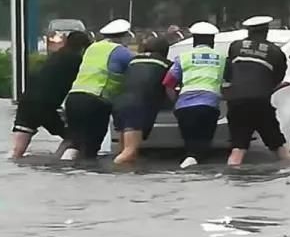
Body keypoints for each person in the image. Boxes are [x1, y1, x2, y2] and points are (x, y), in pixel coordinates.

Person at [10, 30, 92, 158]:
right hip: (46, 105)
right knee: (74, 137)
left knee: (17, 151)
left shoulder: (55, 56)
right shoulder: (77, 61)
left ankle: (12, 162)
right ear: (83, 48)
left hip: (26, 101)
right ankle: (59, 162)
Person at [224, 15, 290, 168]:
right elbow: (276, 79)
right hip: (260, 102)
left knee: (238, 148)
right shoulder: (276, 52)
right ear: (267, 31)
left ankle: (233, 175)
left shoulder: (235, 46)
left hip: (236, 102)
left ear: (248, 31)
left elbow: (229, 72)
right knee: (278, 145)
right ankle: (289, 174)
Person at [63, 19, 135, 159]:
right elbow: (138, 66)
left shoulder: (92, 48)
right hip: (96, 101)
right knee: (92, 146)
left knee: (75, 142)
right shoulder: (121, 52)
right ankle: (89, 173)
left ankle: (66, 166)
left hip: (73, 98)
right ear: (125, 36)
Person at [163, 21, 225, 169]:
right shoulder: (222, 58)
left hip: (184, 107)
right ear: (212, 41)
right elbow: (229, 83)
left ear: (194, 40)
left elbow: (168, 83)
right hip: (209, 106)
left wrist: (175, 102)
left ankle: (190, 167)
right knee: (203, 144)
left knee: (190, 144)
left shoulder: (183, 57)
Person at [112, 36, 172, 165]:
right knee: (130, 151)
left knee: (123, 150)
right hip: (137, 106)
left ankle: (124, 179)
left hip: (119, 103)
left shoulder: (133, 61)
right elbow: (170, 87)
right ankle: (111, 176)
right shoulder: (166, 64)